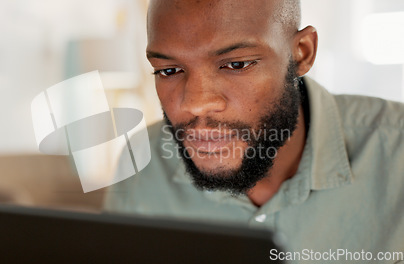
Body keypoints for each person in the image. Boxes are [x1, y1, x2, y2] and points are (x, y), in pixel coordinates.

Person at [105, 0, 404, 261]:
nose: (196, 104)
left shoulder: (396, 153)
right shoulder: (140, 168)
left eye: (236, 64)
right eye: (168, 70)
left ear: (302, 53)